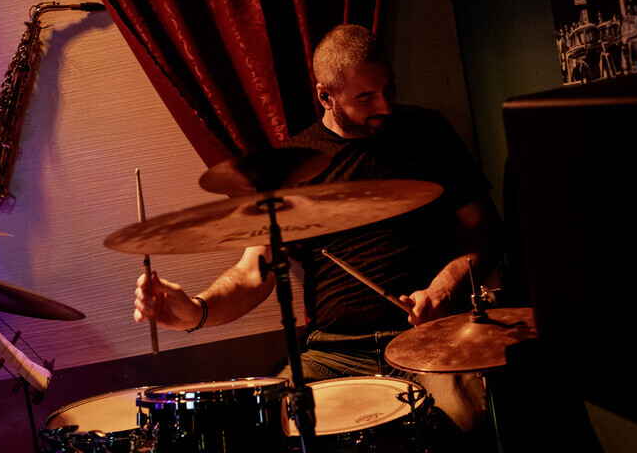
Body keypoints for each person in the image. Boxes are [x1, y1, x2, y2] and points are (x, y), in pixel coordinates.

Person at [133, 24, 504, 448]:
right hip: (334, 354)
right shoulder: (292, 167)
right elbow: (253, 273)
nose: (385, 105)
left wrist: (445, 286)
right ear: (325, 96)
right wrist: (195, 312)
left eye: (389, 87)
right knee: (271, 428)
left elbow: (486, 229)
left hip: (430, 339)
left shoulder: (427, 132)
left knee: (463, 427)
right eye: (365, 97)